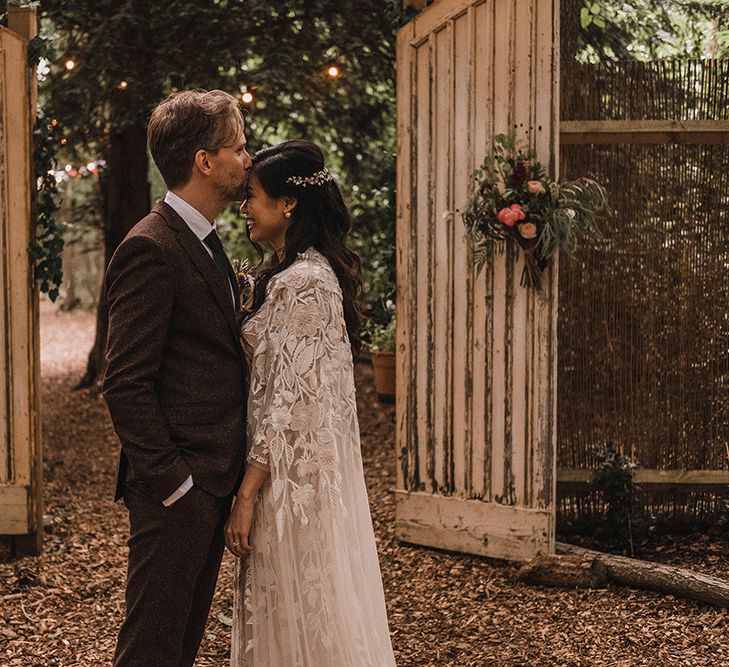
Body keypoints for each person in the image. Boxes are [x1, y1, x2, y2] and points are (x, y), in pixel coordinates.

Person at [226, 140, 397, 666]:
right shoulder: (292, 274)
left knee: (304, 612)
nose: (244, 208)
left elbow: (292, 402)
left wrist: (249, 493)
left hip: (287, 485)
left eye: (251, 196)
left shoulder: (306, 283)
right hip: (289, 475)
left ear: (288, 204)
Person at [102, 89, 252, 667]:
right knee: (152, 649)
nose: (247, 159)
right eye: (237, 148)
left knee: (180, 646)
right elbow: (125, 383)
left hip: (211, 481)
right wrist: (175, 484)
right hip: (178, 490)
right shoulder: (151, 246)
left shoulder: (205, 240)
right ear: (204, 161)